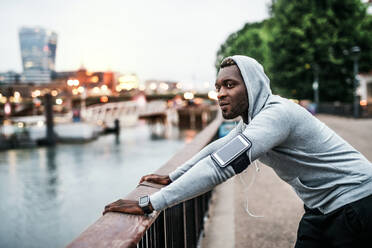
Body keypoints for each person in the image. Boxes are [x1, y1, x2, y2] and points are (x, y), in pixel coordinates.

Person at [103, 55, 372, 247]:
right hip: (322, 207)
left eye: (230, 85)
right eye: (218, 87)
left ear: (252, 87)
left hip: (356, 203)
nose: (220, 93)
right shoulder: (251, 121)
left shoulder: (275, 115)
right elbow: (217, 148)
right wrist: (173, 176)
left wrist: (149, 203)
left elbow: (220, 166)